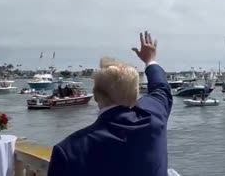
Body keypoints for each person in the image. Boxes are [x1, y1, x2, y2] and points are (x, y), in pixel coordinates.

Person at [47, 31, 173, 176]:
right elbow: (161, 88)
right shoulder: (153, 119)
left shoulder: (68, 151)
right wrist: (150, 60)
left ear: (95, 95)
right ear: (135, 95)